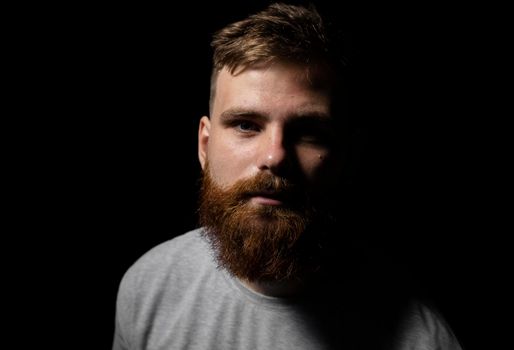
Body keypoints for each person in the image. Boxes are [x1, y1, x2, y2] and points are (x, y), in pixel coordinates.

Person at [112, 3, 463, 349]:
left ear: (347, 155)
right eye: (246, 125)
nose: (275, 156)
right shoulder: (147, 288)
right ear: (205, 146)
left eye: (309, 132)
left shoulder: (420, 338)